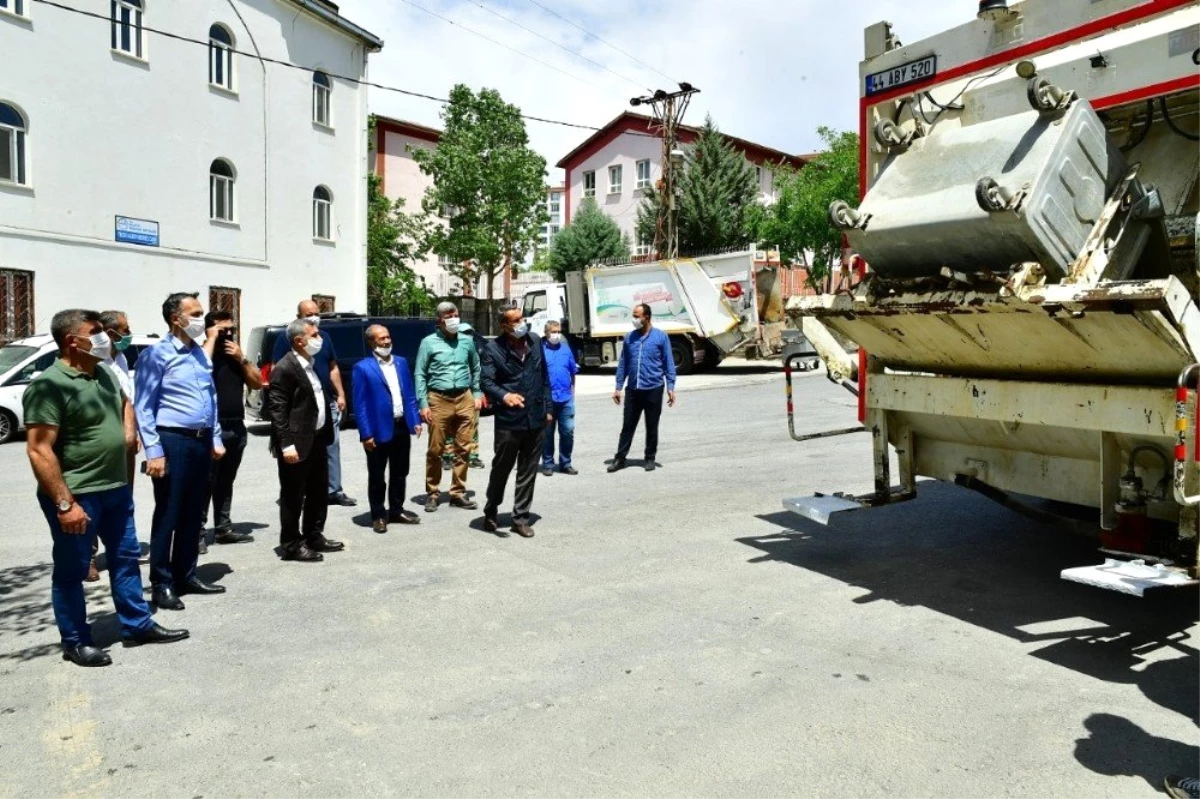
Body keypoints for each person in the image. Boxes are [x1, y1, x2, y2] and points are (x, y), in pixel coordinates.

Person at [24, 309, 188, 667]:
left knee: (126, 558)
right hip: (78, 495)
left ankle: (136, 624)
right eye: (96, 332)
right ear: (72, 340)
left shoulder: (103, 374)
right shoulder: (49, 384)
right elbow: (39, 449)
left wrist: (129, 429)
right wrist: (65, 504)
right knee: (72, 569)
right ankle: (76, 641)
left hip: (116, 488)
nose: (104, 338)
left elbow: (125, 401)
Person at [134, 293, 227, 611]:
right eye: (197, 313)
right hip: (172, 440)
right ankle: (161, 582)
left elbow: (210, 399)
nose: (203, 319)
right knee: (169, 513)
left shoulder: (200, 355)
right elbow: (144, 407)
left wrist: (214, 437)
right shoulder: (157, 355)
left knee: (193, 513)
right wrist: (154, 451)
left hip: (200, 441)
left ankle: (186, 574)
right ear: (177, 318)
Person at [268, 319, 345, 562]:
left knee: (318, 492)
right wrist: (286, 444)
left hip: (318, 438)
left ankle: (314, 535)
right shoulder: (285, 367)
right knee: (293, 495)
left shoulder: (310, 364)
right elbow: (278, 410)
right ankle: (291, 544)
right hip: (296, 443)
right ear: (299, 341)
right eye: (314, 335)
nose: (319, 338)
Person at [272, 300, 356, 508]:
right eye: (309, 314)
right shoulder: (288, 337)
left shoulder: (324, 337)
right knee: (301, 449)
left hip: (326, 401)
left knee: (330, 445)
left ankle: (333, 490)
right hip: (301, 407)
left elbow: (333, 367)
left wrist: (341, 394)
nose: (314, 318)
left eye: (317, 313)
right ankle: (298, 493)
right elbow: (277, 370)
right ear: (299, 315)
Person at [481, 305, 551, 538]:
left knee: (528, 471)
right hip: (509, 422)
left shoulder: (534, 341)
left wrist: (548, 408)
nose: (522, 323)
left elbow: (544, 377)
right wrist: (505, 395)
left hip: (535, 418)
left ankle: (520, 518)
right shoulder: (493, 348)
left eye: (522, 318)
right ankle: (491, 509)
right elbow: (486, 381)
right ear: (504, 326)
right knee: (501, 469)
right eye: (515, 320)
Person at [352, 325, 423, 534]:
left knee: (400, 472)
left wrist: (415, 419)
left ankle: (396, 509)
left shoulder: (400, 363)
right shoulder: (362, 368)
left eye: (388, 337)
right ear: (372, 342)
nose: (386, 341)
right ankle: (378, 515)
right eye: (381, 339)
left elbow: (409, 394)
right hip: (377, 430)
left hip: (401, 426)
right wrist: (366, 433)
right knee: (377, 476)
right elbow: (360, 404)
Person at [415, 301, 483, 513]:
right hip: (439, 399)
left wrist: (477, 393)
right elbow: (420, 373)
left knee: (464, 448)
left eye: (454, 313)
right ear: (439, 320)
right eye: (447, 315)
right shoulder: (428, 343)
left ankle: (458, 492)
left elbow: (476, 366)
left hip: (464, 397)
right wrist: (423, 403)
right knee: (436, 449)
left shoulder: (467, 341)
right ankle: (433, 493)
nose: (452, 318)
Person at [200, 310, 261, 547]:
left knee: (226, 481)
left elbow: (257, 383)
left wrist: (242, 358)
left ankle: (223, 528)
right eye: (221, 330)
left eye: (230, 330)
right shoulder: (202, 355)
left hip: (235, 425)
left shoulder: (234, 355)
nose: (227, 334)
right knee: (204, 483)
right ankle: (197, 534)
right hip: (210, 428)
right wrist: (211, 340)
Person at [608, 303, 677, 473]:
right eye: (633, 315)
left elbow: (669, 363)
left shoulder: (660, 337)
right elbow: (623, 363)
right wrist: (618, 386)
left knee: (652, 425)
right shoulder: (629, 338)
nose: (634, 319)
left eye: (637, 316)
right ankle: (620, 458)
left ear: (647, 317)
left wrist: (671, 387)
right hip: (633, 389)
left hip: (654, 388)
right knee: (628, 425)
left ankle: (650, 458)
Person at [442, 322, 486, 471]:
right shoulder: (449, 351)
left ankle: (472, 456)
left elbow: (478, 374)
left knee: (472, 426)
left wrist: (479, 394)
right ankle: (448, 456)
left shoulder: (473, 352)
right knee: (449, 426)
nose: (469, 336)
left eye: (470, 333)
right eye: (465, 333)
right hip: (450, 394)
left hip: (470, 393)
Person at [541, 319, 579, 477]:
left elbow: (572, 371)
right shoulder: (540, 351)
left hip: (565, 398)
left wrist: (572, 392)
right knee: (547, 433)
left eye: (558, 332)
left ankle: (565, 463)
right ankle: (548, 463)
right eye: (553, 332)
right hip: (548, 400)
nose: (557, 335)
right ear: (547, 333)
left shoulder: (566, 349)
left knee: (568, 432)